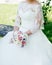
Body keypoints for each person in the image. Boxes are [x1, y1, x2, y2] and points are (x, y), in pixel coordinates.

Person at [0, 0, 52, 65]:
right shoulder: (21, 3)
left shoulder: (37, 5)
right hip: (20, 32)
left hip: (33, 33)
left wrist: (25, 34)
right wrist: (16, 33)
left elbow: (38, 25)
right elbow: (17, 21)